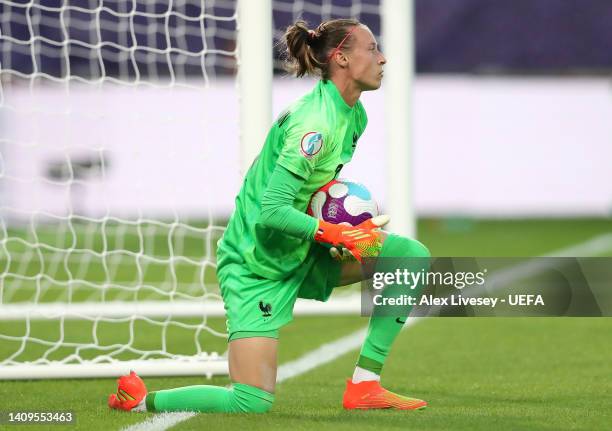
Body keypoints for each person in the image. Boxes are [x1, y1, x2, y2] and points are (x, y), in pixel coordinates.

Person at [108, 18, 430, 414]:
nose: (383, 58)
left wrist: (341, 227)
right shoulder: (313, 125)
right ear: (342, 58)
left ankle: (365, 386)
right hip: (254, 264)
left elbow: (311, 193)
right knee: (251, 402)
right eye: (372, 48)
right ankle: (140, 400)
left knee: (409, 256)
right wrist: (338, 235)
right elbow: (272, 211)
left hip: (302, 249)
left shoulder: (354, 115)